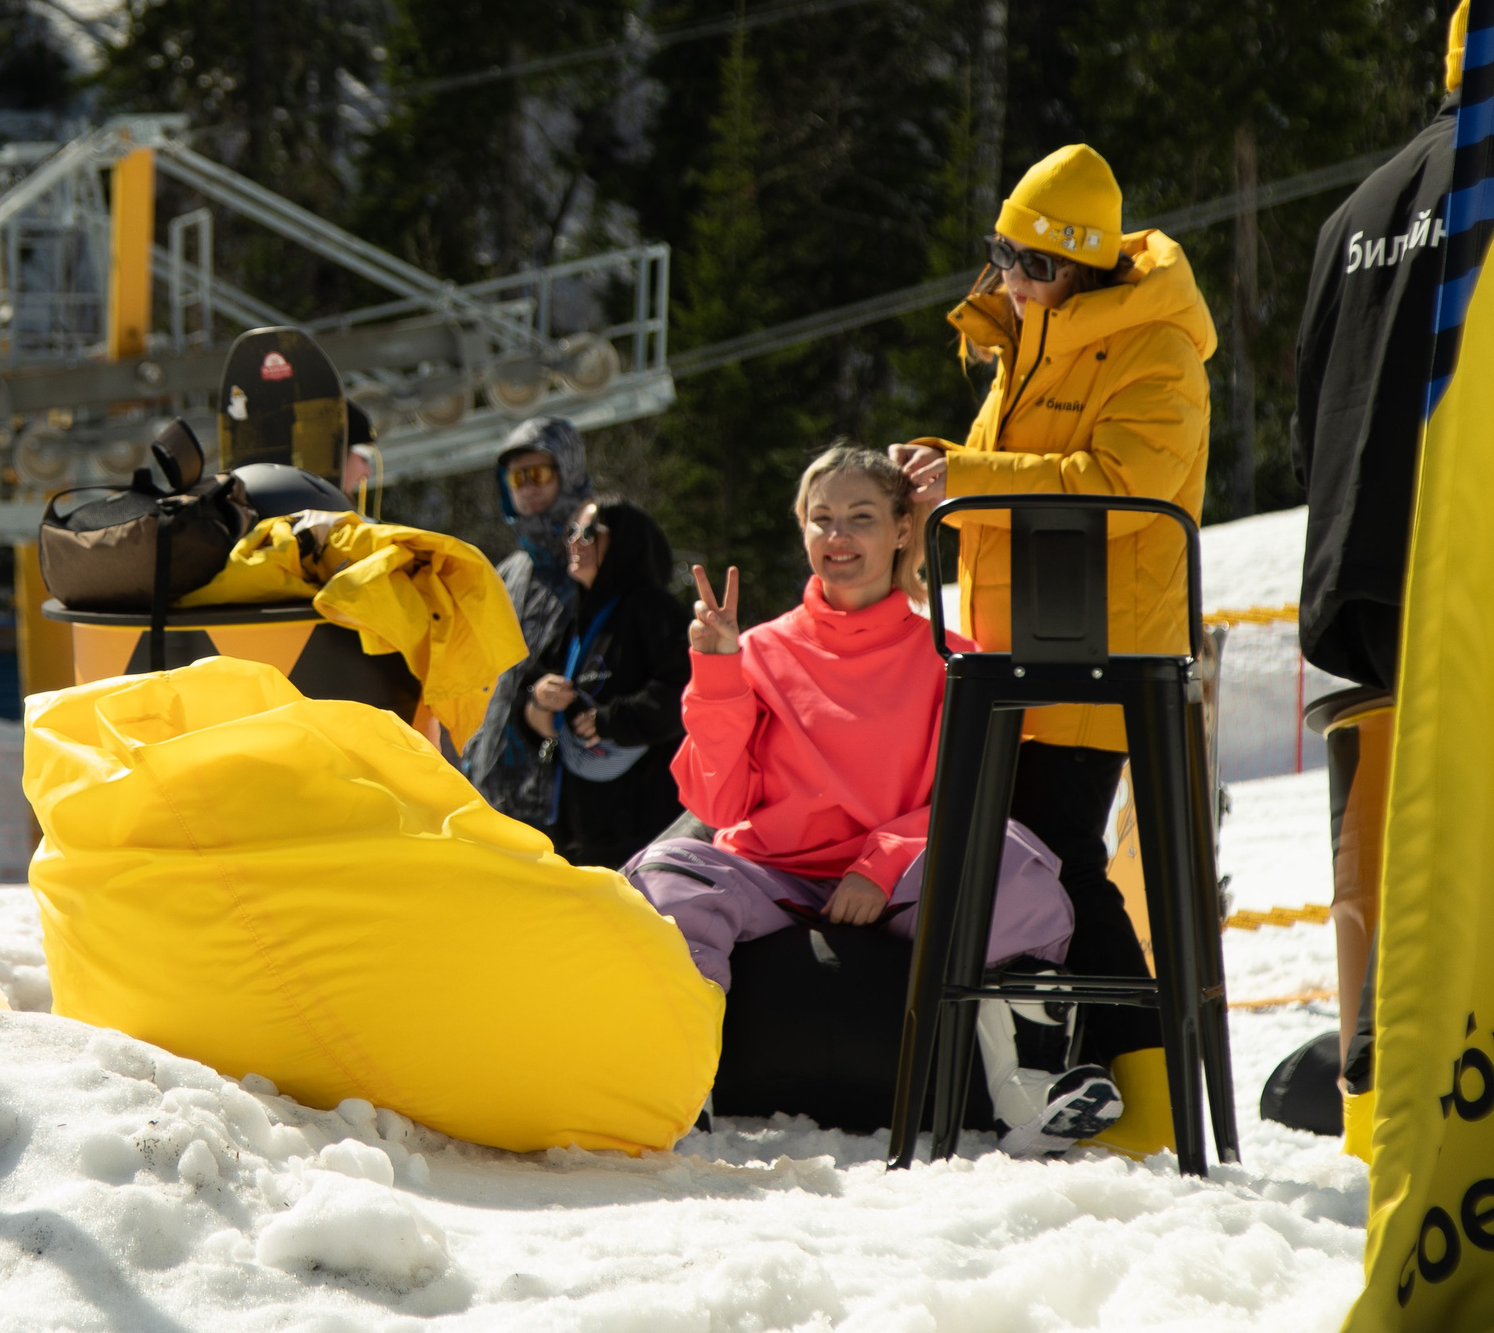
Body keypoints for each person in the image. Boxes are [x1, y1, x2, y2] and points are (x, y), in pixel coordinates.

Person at [623, 446, 1122, 1153]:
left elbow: (969, 792)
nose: (839, 537)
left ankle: (1029, 1093)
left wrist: (879, 863)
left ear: (900, 531)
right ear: (802, 531)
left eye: (861, 517)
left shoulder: (952, 652)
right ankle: (675, 1087)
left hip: (899, 878)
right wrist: (716, 673)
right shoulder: (758, 650)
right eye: (821, 519)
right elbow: (716, 797)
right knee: (668, 872)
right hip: (774, 873)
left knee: (1015, 866)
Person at [888, 141, 1217, 1154]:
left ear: (1082, 265)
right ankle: (1056, 1078)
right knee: (1022, 860)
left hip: (1102, 648)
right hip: (1010, 645)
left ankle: (1152, 1094)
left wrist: (968, 471)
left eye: (1033, 264)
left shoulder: (1153, 346)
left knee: (1061, 855)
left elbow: (1127, 485)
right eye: (1002, 256)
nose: (1012, 281)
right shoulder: (1030, 335)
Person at [1281, 0, 1470, 1151]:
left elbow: (1316, 406)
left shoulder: (1354, 211)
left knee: (1415, 828)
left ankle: (1383, 1063)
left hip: (1369, 564)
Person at [514, 497, 690, 867]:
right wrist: (540, 700)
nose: (575, 543)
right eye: (571, 532)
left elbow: (684, 693)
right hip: (580, 833)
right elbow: (528, 704)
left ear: (626, 541)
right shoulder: (574, 622)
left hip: (651, 831)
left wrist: (609, 721)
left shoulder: (653, 609)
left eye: (590, 532)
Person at [466, 418, 593, 819]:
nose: (529, 488)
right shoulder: (507, 574)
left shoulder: (597, 562)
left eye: (538, 473)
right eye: (516, 479)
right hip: (491, 791)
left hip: (572, 795)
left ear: (567, 472)